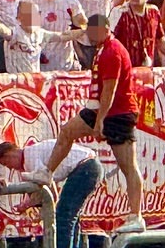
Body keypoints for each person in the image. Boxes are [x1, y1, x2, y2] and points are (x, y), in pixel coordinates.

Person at [29, 12, 145, 234]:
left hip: (116, 113)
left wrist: (100, 121)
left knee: (128, 165)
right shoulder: (102, 48)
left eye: (93, 31)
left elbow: (109, 91)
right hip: (99, 109)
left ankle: (136, 215)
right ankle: (47, 171)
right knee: (67, 132)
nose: (90, 36)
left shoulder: (112, 52)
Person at [0, 135, 100, 248]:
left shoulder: (30, 157)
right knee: (72, 217)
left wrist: (38, 206)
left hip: (85, 168)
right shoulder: (33, 154)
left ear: (10, 154)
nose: (11, 168)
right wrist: (31, 204)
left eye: (7, 164)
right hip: (89, 166)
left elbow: (48, 185)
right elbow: (46, 188)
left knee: (63, 217)